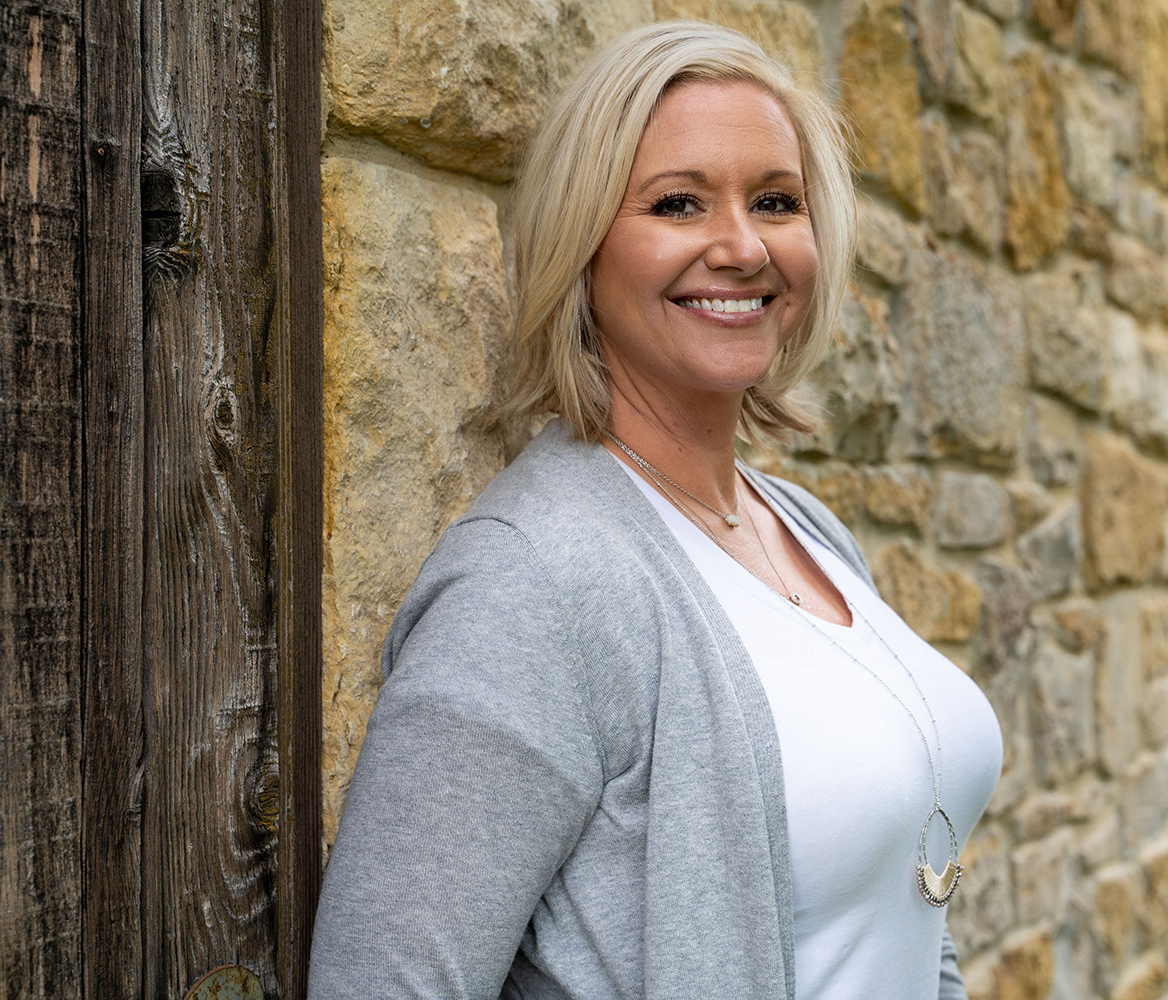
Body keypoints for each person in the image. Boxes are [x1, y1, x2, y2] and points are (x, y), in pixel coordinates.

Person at [308, 21, 1004, 1000]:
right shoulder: (533, 579)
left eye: (776, 201)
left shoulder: (807, 531)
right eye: (678, 203)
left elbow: (903, 906)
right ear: (583, 245)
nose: (743, 246)